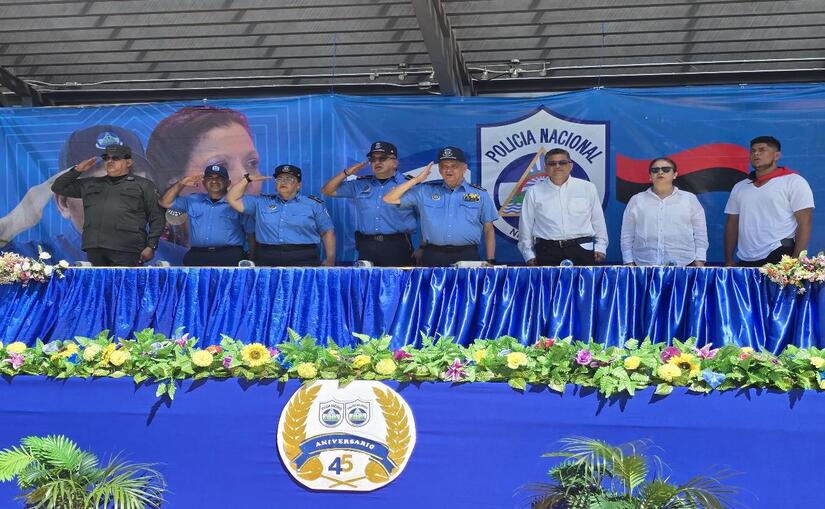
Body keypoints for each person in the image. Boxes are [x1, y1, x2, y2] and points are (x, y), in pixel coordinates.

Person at [146, 106, 262, 249]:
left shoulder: (268, 245)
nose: (245, 178)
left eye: (252, 163)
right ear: (174, 178)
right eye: (220, 165)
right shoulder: (152, 253)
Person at [50, 144, 164, 266]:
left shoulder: (144, 185)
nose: (110, 161)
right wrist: (77, 170)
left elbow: (157, 217)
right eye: (106, 158)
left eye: (116, 158)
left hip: (128, 249)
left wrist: (151, 245)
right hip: (96, 248)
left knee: (125, 284)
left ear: (129, 162)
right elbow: (58, 187)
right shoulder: (91, 184)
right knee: (97, 284)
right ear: (63, 203)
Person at [383, 146, 497, 267]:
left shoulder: (480, 194)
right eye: (444, 166)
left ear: (464, 168)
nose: (449, 170)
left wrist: (491, 260)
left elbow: (489, 229)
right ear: (439, 169)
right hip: (433, 255)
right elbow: (389, 198)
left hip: (467, 255)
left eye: (454, 166)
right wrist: (417, 180)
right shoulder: (425, 191)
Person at [321, 141, 417, 266]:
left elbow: (427, 217)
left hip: (397, 245)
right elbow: (327, 190)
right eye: (373, 159)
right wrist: (346, 173)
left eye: (382, 158)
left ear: (395, 162)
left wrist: (423, 246)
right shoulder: (360, 184)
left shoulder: (408, 185)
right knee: (366, 284)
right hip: (367, 246)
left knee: (396, 284)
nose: (377, 162)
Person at [724, 135, 815, 267]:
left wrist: (796, 261)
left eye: (762, 150)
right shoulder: (740, 187)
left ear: (776, 156)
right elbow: (732, 224)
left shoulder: (794, 181)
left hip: (780, 253)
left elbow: (805, 222)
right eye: (753, 151)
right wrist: (729, 259)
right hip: (746, 257)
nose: (756, 154)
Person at [226, 164, 335, 267]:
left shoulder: (313, 204)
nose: (283, 182)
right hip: (267, 256)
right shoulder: (261, 202)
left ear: (298, 185)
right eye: (279, 179)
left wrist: (330, 258)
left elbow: (327, 231)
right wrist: (246, 180)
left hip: (303, 256)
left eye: (289, 179)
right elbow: (232, 198)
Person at [517, 148, 608, 266]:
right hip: (547, 251)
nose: (557, 166)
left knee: (583, 285)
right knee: (548, 285)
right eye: (552, 163)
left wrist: (601, 246)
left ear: (571, 166)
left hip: (582, 250)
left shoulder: (587, 188)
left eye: (562, 162)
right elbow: (526, 224)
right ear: (545, 168)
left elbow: (598, 219)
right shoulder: (534, 192)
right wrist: (528, 253)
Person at [158, 164, 253, 266]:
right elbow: (164, 202)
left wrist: (252, 258)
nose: (214, 181)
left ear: (228, 182)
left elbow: (251, 233)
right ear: (203, 182)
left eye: (219, 178)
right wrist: (182, 183)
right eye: (209, 178)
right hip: (198, 255)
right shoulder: (192, 200)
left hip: (229, 255)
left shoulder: (239, 203)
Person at [620, 157, 708, 266]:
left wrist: (700, 260)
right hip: (644, 265)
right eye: (655, 170)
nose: (660, 172)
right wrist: (628, 261)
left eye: (666, 169)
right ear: (650, 176)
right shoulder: (637, 200)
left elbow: (700, 233)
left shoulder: (689, 199)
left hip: (684, 264)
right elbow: (627, 234)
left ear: (675, 174)